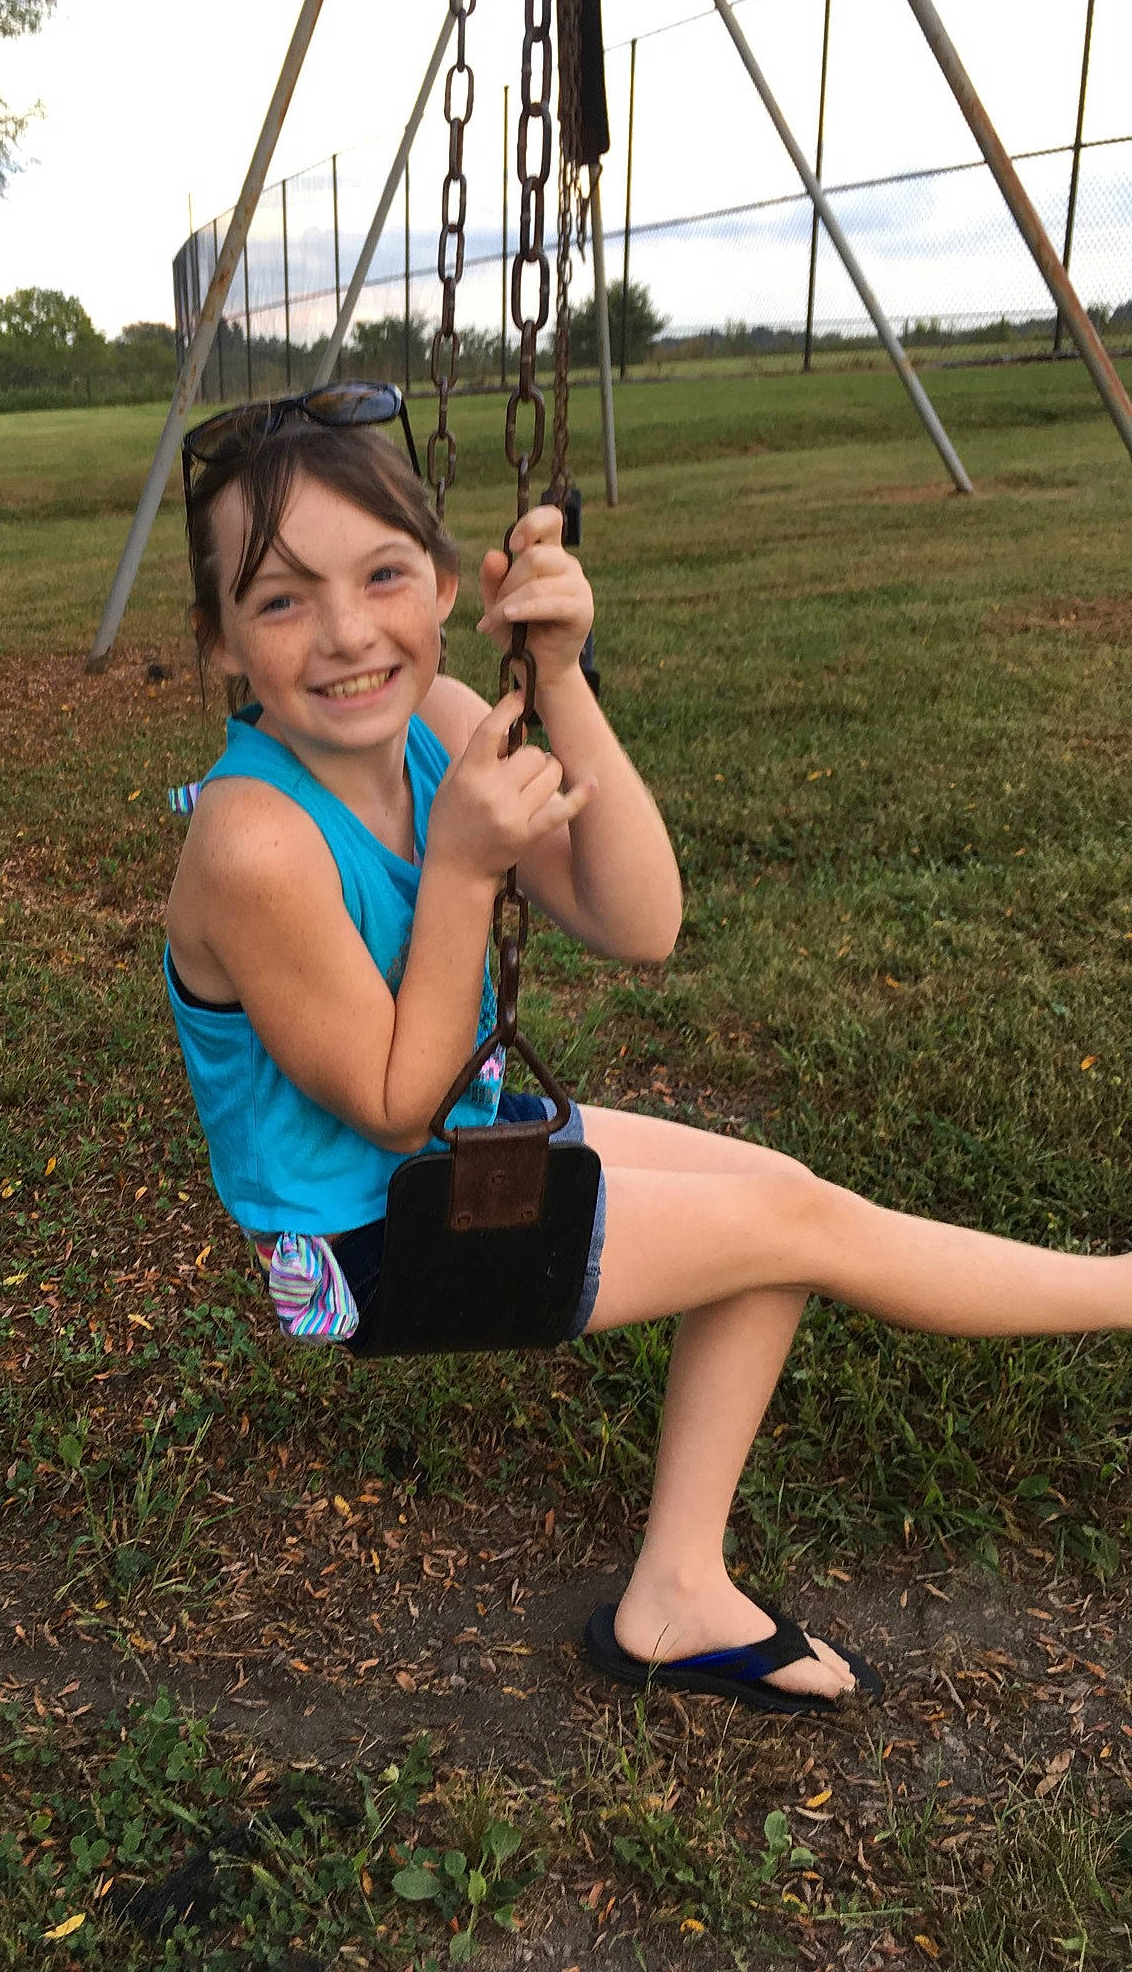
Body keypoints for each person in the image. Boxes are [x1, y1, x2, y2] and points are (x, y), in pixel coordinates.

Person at [163, 382, 1130, 1717]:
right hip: (365, 1245)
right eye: (280, 600)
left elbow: (639, 922)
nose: (346, 633)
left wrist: (559, 679)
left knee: (776, 1195)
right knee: (800, 1227)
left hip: (462, 1150)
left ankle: (677, 1591)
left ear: (440, 585)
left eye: (382, 575)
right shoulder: (251, 841)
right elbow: (392, 1103)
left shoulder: (443, 722)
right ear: (219, 643)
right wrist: (462, 871)